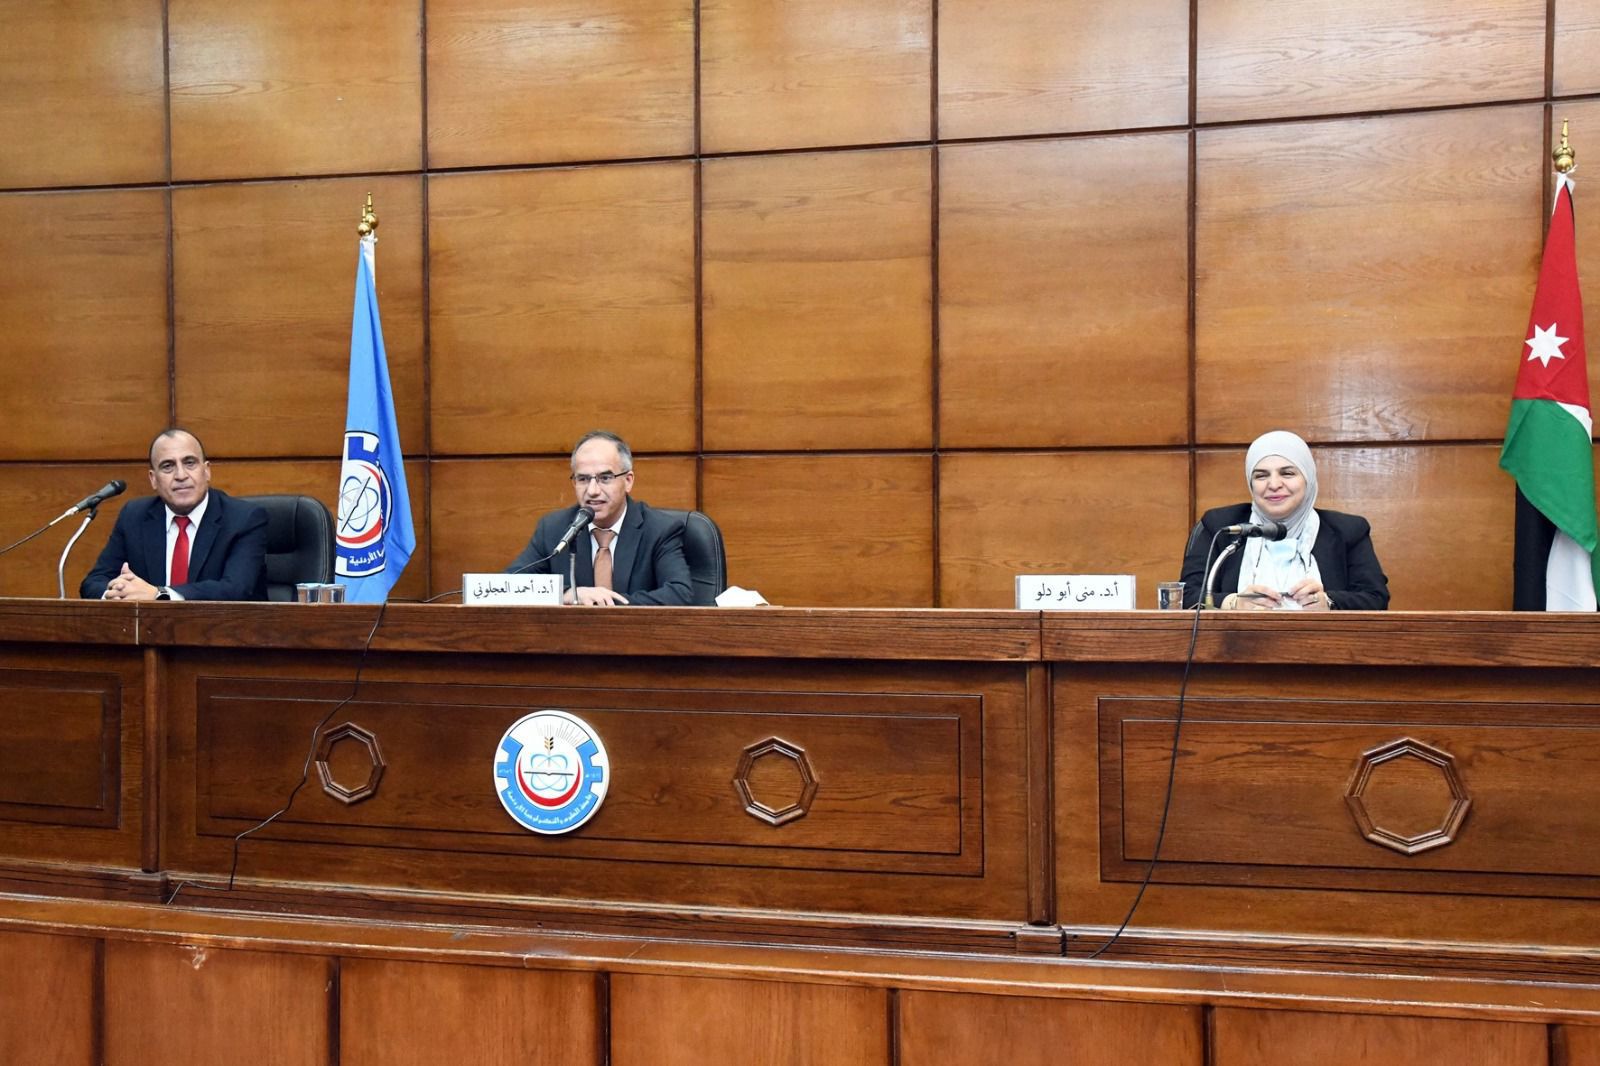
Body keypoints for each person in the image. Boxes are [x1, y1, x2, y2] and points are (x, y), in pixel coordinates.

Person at [1180, 430, 1389, 610]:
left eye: (1287, 473)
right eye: (1261, 476)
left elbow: (1375, 598)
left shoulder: (1347, 530)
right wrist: (1233, 603)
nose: (1274, 484)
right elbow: (1184, 596)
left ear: (1308, 478)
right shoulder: (1223, 527)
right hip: (1235, 642)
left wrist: (1328, 602)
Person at [506, 430, 691, 606]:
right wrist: (567, 594)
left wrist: (604, 604)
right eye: (583, 479)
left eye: (605, 478)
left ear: (628, 481)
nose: (592, 491)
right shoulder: (554, 529)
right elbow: (507, 586)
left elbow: (679, 594)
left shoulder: (660, 529)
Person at [80, 429, 269, 602]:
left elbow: (236, 589)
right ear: (153, 479)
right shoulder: (134, 516)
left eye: (189, 463)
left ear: (206, 471)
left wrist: (160, 595)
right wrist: (117, 593)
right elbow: (94, 582)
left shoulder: (244, 519)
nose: (180, 475)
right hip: (150, 628)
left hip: (224, 627)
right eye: (168, 466)